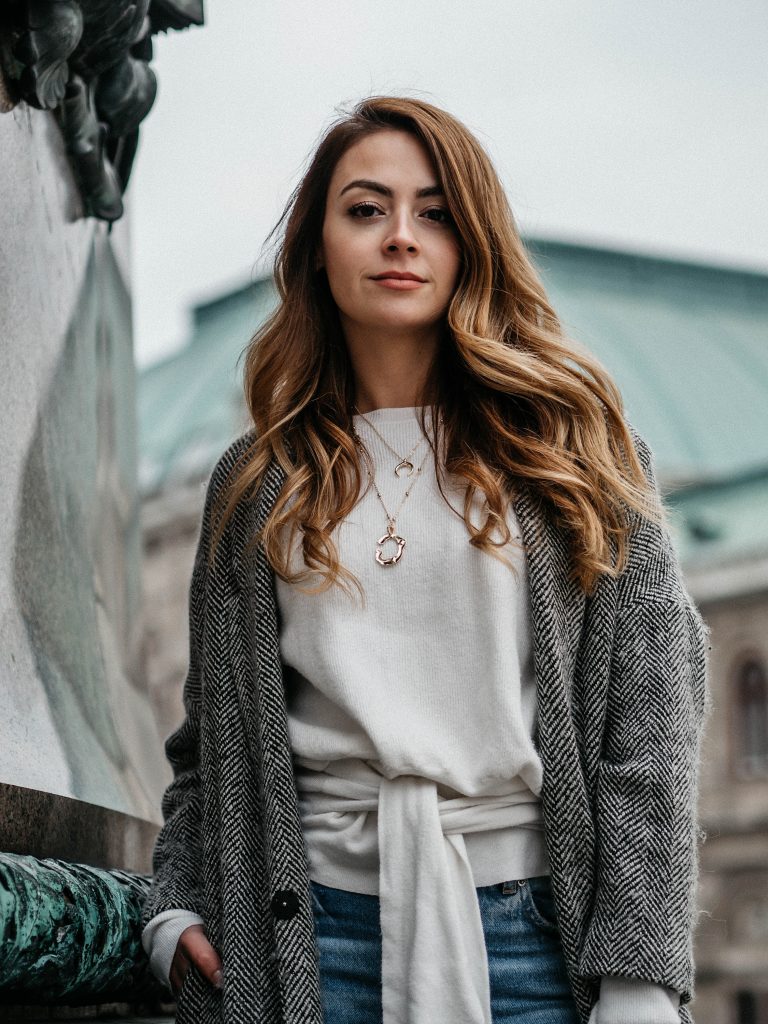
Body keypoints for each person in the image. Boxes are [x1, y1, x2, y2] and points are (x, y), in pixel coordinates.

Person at [141, 96, 711, 1024]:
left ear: (472, 243)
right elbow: (207, 744)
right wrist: (175, 906)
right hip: (300, 944)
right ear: (317, 249)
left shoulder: (578, 452)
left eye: (435, 213)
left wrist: (640, 976)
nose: (400, 236)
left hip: (535, 945)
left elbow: (651, 729)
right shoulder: (252, 483)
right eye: (366, 209)